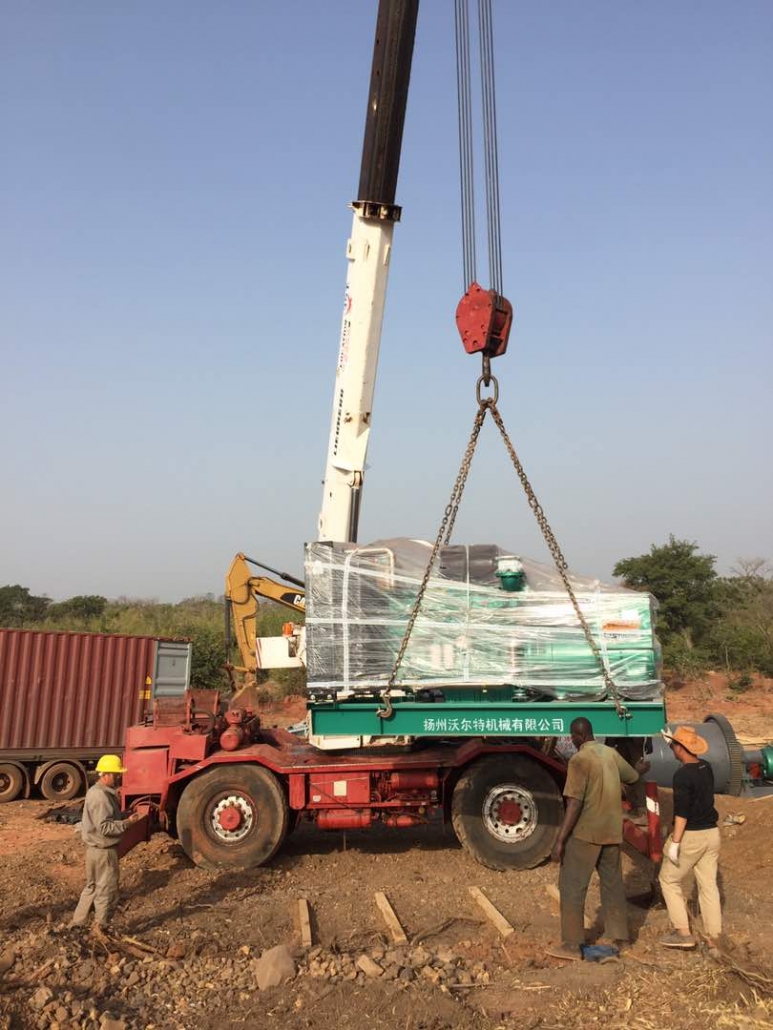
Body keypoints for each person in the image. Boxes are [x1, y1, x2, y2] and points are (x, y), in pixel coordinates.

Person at [548, 717, 649, 961]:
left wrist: (560, 840)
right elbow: (634, 777)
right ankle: (620, 937)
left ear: (579, 737)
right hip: (612, 832)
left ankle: (572, 945)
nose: (572, 741)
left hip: (586, 833)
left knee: (572, 886)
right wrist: (625, 782)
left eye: (572, 737)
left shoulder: (579, 760)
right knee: (612, 884)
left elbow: (574, 802)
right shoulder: (610, 754)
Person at [658, 726, 721, 950]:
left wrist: (675, 843)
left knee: (668, 879)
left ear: (679, 748)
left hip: (691, 836)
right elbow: (688, 762)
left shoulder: (681, 776)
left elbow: (682, 812)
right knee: (708, 885)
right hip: (712, 834)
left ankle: (683, 933)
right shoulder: (706, 767)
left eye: (674, 746)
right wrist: (672, 742)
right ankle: (715, 939)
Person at [70, 754, 141, 933]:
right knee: (106, 890)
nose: (119, 777)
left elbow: (101, 820)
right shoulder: (102, 797)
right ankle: (100, 927)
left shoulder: (94, 792)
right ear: (106, 774)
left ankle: (76, 924)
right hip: (104, 852)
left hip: (92, 850)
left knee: (91, 887)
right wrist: (128, 823)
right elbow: (105, 827)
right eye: (116, 774)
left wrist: (122, 815)